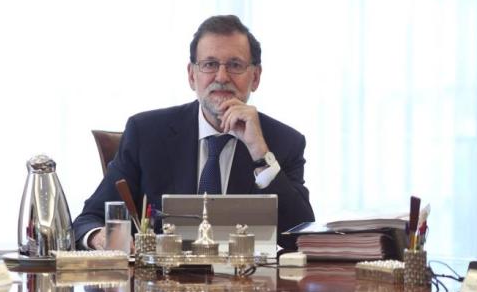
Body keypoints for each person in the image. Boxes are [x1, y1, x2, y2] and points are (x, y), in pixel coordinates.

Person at [73, 15, 314, 250]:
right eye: (209, 65)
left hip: (246, 277)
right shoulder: (146, 134)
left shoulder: (284, 142)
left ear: (256, 77)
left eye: (235, 65)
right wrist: (101, 238)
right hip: (161, 277)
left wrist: (260, 153)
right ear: (191, 75)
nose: (222, 77)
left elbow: (300, 239)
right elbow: (88, 221)